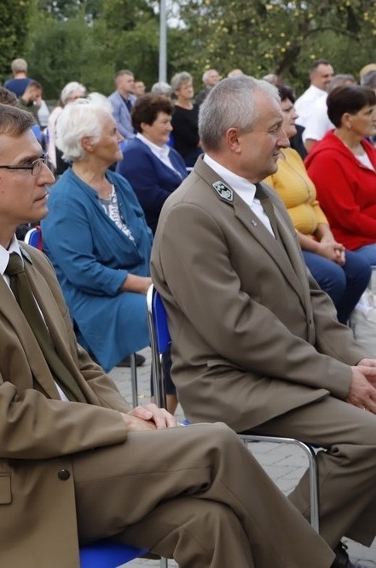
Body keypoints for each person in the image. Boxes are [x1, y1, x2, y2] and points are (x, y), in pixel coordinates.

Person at [0, 99, 337, 568]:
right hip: (8, 490)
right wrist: (116, 426)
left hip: (65, 465)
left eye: (43, 160)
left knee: (210, 523)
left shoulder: (27, 259)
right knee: (214, 444)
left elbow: (78, 363)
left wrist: (131, 412)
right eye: (28, 165)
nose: (47, 176)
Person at [151, 76, 376, 566]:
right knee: (370, 437)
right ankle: (280, 550)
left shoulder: (260, 194)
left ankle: (309, 541)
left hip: (275, 369)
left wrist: (358, 359)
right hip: (231, 380)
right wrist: (339, 378)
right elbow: (236, 328)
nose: (287, 137)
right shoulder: (191, 212)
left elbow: (312, 299)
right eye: (274, 128)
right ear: (234, 139)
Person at [42, 98, 153, 374]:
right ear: (88, 143)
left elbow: (145, 240)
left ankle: (167, 402)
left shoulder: (119, 184)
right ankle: (164, 404)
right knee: (173, 313)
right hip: (92, 301)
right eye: (113, 132)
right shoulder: (65, 199)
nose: (122, 137)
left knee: (192, 301)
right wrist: (146, 284)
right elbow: (81, 271)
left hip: (136, 285)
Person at [265, 86, 369, 324]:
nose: (297, 115)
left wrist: (328, 238)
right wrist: (319, 248)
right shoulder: (265, 161)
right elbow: (273, 216)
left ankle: (338, 329)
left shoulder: (291, 155)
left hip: (316, 239)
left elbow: (314, 202)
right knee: (333, 276)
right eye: (288, 110)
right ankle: (314, 334)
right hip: (289, 243)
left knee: (358, 269)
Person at [305, 86, 376, 265]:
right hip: (352, 243)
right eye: (369, 113)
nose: (374, 118)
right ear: (347, 119)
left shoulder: (365, 148)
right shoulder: (327, 159)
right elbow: (348, 218)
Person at [117, 95, 188, 233]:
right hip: (157, 234)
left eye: (170, 122)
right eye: (164, 122)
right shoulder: (134, 155)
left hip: (179, 224)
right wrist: (192, 202)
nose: (170, 128)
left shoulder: (172, 154)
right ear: (145, 125)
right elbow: (150, 199)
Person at [46, 81, 87, 173]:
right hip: (65, 166)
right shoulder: (61, 117)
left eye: (82, 97)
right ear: (66, 100)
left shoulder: (79, 116)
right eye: (75, 98)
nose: (79, 100)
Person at [170, 71, 202, 167]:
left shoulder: (197, 107)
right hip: (187, 156)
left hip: (202, 150)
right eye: (186, 88)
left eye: (190, 86)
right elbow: (192, 140)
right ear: (177, 91)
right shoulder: (175, 112)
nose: (190, 90)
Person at [107, 70, 137, 140]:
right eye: (129, 81)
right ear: (119, 84)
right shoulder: (112, 101)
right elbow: (116, 123)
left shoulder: (134, 99)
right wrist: (131, 136)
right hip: (122, 140)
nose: (132, 83)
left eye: (133, 81)